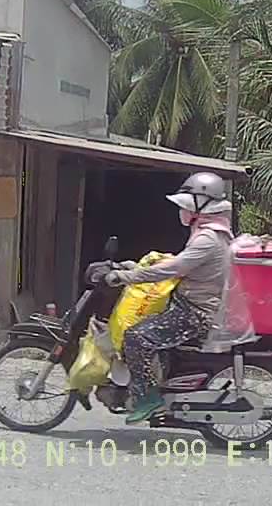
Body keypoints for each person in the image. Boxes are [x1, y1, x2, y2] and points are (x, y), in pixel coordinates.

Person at [99, 172, 233, 424]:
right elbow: (180, 263)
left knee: (136, 337)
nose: (181, 211)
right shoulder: (210, 233)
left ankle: (147, 398)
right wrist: (135, 267)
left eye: (185, 205)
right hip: (188, 306)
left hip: (195, 314)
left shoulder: (208, 238)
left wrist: (125, 277)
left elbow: (174, 269)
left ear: (201, 205)